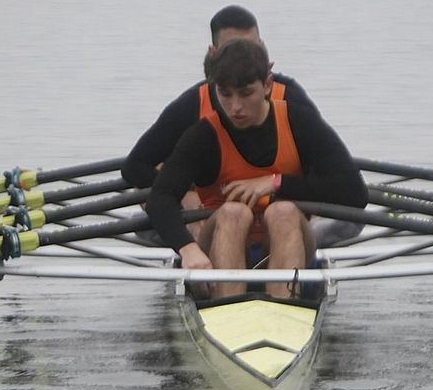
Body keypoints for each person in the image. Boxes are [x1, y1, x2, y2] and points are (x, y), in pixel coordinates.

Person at [147, 37, 367, 299]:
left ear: (267, 85)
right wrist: (187, 248)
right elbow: (159, 198)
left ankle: (283, 308)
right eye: (225, 94)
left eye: (246, 93)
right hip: (217, 249)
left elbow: (355, 192)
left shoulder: (299, 121)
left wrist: (276, 183)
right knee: (232, 213)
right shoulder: (204, 135)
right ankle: (228, 308)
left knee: (284, 211)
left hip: (282, 244)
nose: (235, 107)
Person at [122, 5, 316, 194]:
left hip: (282, 214)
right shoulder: (193, 104)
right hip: (215, 216)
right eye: (233, 50)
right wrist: (182, 193)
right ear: (214, 54)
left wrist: (277, 184)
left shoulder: (290, 97)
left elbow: (330, 173)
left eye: (252, 48)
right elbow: (135, 167)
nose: (243, 59)